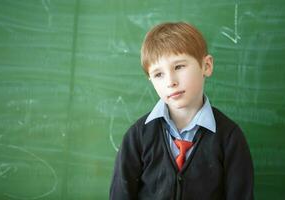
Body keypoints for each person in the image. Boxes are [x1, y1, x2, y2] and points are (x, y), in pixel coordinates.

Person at [109, 22, 254, 200]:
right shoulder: (137, 136)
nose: (170, 81)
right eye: (158, 74)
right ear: (151, 80)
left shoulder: (230, 137)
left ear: (206, 66)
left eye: (179, 67)